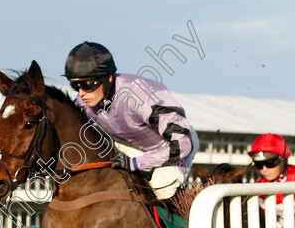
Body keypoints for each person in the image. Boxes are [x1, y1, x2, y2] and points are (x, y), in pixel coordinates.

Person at [63, 41, 199, 201]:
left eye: (88, 84)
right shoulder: (82, 103)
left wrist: (136, 163)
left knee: (162, 186)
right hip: (129, 146)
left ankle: (182, 223)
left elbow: (183, 144)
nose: (81, 92)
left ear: (109, 77)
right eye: (75, 85)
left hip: (172, 146)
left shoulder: (141, 95)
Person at [250, 133, 293, 218]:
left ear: (282, 161)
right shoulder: (258, 186)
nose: (264, 169)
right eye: (259, 164)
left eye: (270, 163)